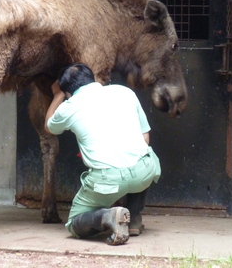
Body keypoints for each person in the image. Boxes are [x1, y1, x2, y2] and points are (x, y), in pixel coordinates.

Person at [45, 63, 161, 245]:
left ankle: (108, 216)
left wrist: (57, 95)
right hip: (143, 172)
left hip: (107, 181)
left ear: (68, 92)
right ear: (91, 79)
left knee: (74, 223)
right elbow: (145, 139)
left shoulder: (69, 106)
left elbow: (49, 126)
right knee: (145, 156)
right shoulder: (125, 92)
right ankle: (133, 217)